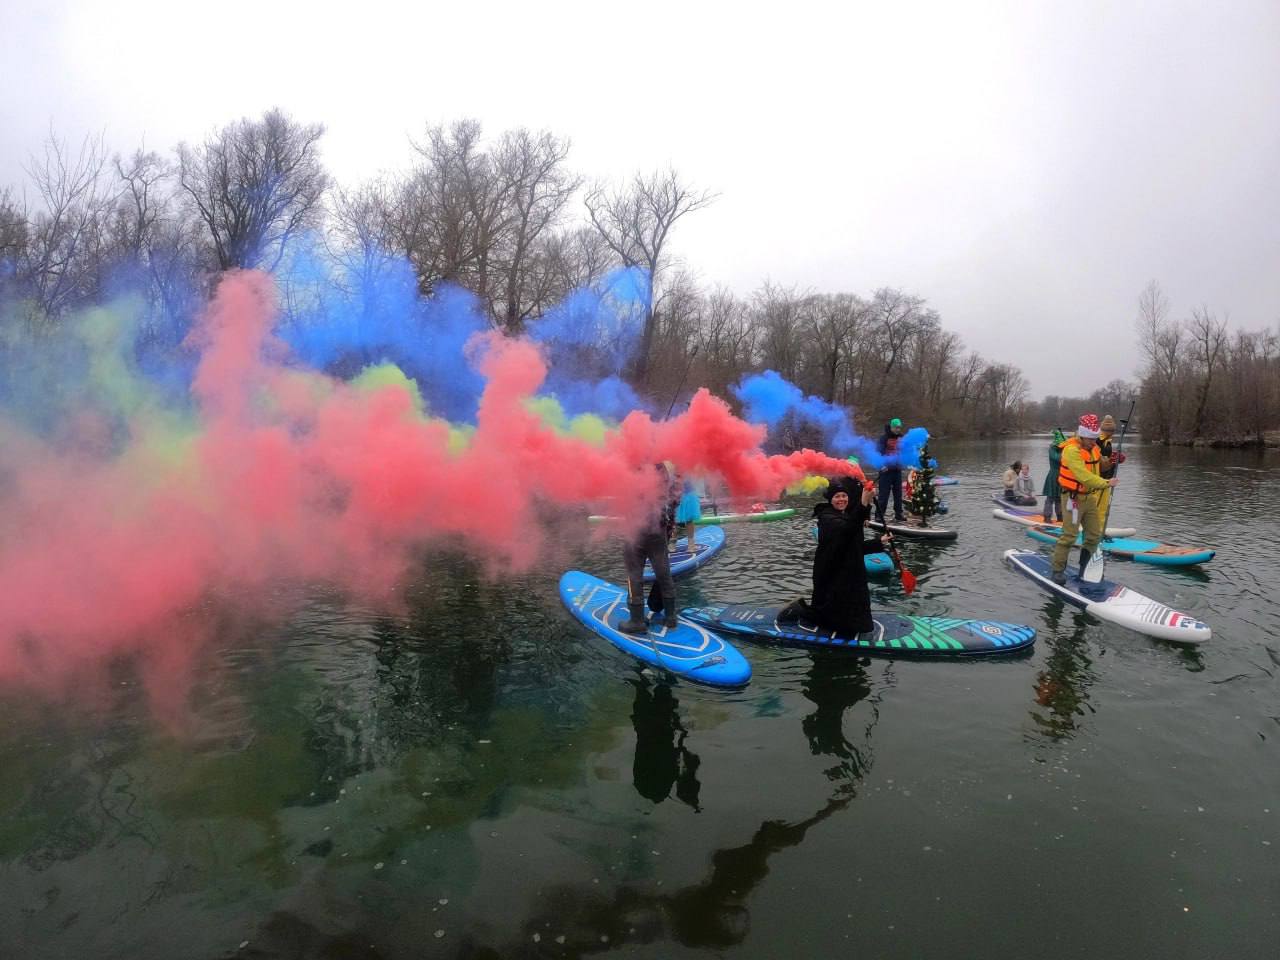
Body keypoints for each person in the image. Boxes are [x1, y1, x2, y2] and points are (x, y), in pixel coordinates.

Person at [782, 475, 875, 636]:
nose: (841, 499)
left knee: (853, 618)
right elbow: (848, 530)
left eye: (844, 496)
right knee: (837, 618)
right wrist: (864, 503)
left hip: (846, 572)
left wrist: (880, 542)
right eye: (837, 496)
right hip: (832, 572)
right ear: (830, 500)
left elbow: (855, 545)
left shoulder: (845, 515)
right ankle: (799, 610)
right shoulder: (827, 518)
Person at [1050, 414, 1120, 584]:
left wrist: (1112, 461)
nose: (1093, 441)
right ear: (1081, 435)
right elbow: (1084, 476)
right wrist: (1106, 483)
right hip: (1072, 499)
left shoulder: (1094, 447)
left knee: (1094, 535)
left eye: (1095, 438)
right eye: (1090, 438)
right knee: (1069, 535)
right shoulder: (1071, 450)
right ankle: (1057, 571)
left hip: (1089, 498)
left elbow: (1101, 464)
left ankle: (1085, 569)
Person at [619, 463, 679, 634]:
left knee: (634, 575)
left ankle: (636, 620)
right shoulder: (662, 468)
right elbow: (674, 499)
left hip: (638, 528)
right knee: (663, 572)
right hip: (658, 528)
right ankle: (671, 617)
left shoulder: (634, 467)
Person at [875, 418, 906, 524]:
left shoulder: (901, 438)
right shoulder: (884, 438)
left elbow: (905, 452)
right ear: (891, 427)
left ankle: (899, 514)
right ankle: (879, 516)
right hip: (886, 470)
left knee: (898, 493)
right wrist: (881, 465)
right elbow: (878, 453)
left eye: (899, 428)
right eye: (896, 427)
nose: (898, 430)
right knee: (884, 494)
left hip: (897, 470)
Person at [1096, 414, 1127, 520]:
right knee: (1097, 506)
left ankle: (1099, 530)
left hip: (1107, 478)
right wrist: (1113, 460)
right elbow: (1097, 460)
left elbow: (1107, 456)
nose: (1111, 433)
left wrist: (1116, 458)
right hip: (1098, 479)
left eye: (1112, 431)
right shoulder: (1097, 441)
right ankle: (1093, 530)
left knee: (1103, 507)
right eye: (1109, 431)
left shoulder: (1108, 441)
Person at [1042, 428, 1066, 522]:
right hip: (1053, 475)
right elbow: (1057, 458)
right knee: (1050, 498)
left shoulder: (1063, 449)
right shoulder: (1052, 448)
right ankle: (1047, 517)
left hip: (1062, 476)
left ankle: (1060, 517)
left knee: (1059, 498)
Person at [673, 474, 702, 550]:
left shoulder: (672, 466)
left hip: (680, 494)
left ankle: (672, 545)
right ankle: (691, 546)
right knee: (687, 521)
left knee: (676, 521)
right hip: (684, 494)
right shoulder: (680, 467)